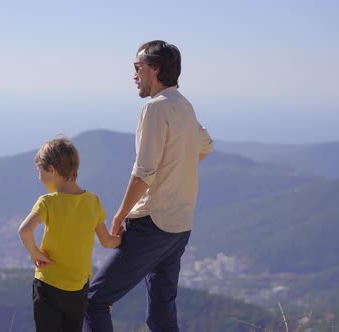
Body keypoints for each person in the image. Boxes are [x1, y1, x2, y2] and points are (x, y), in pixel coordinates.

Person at [83, 40, 214, 332]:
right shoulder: (184, 105)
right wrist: (178, 169)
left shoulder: (155, 109)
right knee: (161, 313)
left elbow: (144, 173)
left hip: (152, 223)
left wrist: (118, 216)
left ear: (154, 69)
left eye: (137, 67)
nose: (133, 75)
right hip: (180, 224)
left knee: (94, 300)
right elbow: (205, 145)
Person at [18, 137, 122, 332]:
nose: (39, 178)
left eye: (39, 172)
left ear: (51, 170)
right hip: (78, 288)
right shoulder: (93, 202)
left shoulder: (47, 202)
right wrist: (123, 237)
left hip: (48, 284)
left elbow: (24, 231)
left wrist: (36, 253)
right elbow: (108, 242)